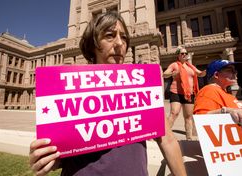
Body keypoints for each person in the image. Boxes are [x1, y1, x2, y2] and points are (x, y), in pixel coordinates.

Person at [29, 11, 186, 176]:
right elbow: (59, 154)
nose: (119, 43)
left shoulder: (141, 86)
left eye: (124, 37)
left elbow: (168, 141)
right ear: (93, 44)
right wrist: (49, 158)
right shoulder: (69, 90)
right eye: (110, 36)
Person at [163, 47, 206, 140]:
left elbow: (199, 73)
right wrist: (173, 73)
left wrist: (208, 70)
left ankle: (189, 137)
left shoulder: (190, 66)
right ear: (178, 55)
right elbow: (164, 74)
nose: (184, 55)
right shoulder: (174, 65)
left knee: (188, 116)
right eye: (182, 53)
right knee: (174, 113)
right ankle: (164, 135)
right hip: (176, 92)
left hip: (188, 94)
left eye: (185, 53)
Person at [193, 59, 242, 126]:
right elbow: (200, 118)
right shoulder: (210, 89)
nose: (235, 73)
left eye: (235, 70)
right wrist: (227, 111)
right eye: (230, 70)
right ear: (216, 75)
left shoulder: (227, 94)